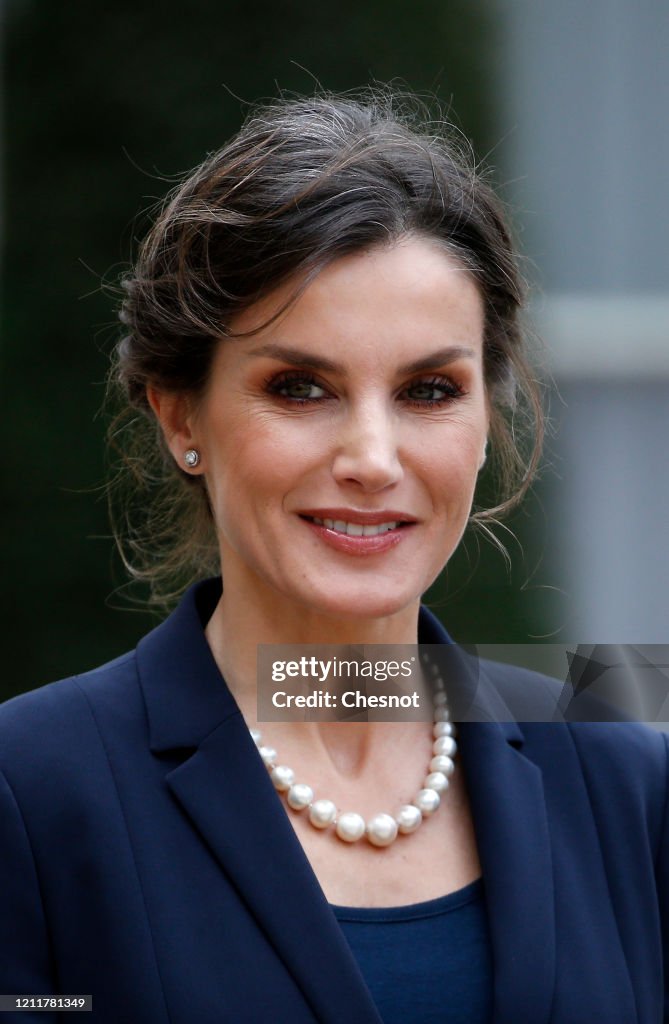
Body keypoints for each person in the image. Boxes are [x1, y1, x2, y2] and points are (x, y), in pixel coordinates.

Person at [0, 89, 667, 1024]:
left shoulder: (626, 779)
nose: (372, 460)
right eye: (300, 386)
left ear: (484, 424)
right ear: (180, 414)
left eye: (429, 390)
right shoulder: (28, 796)